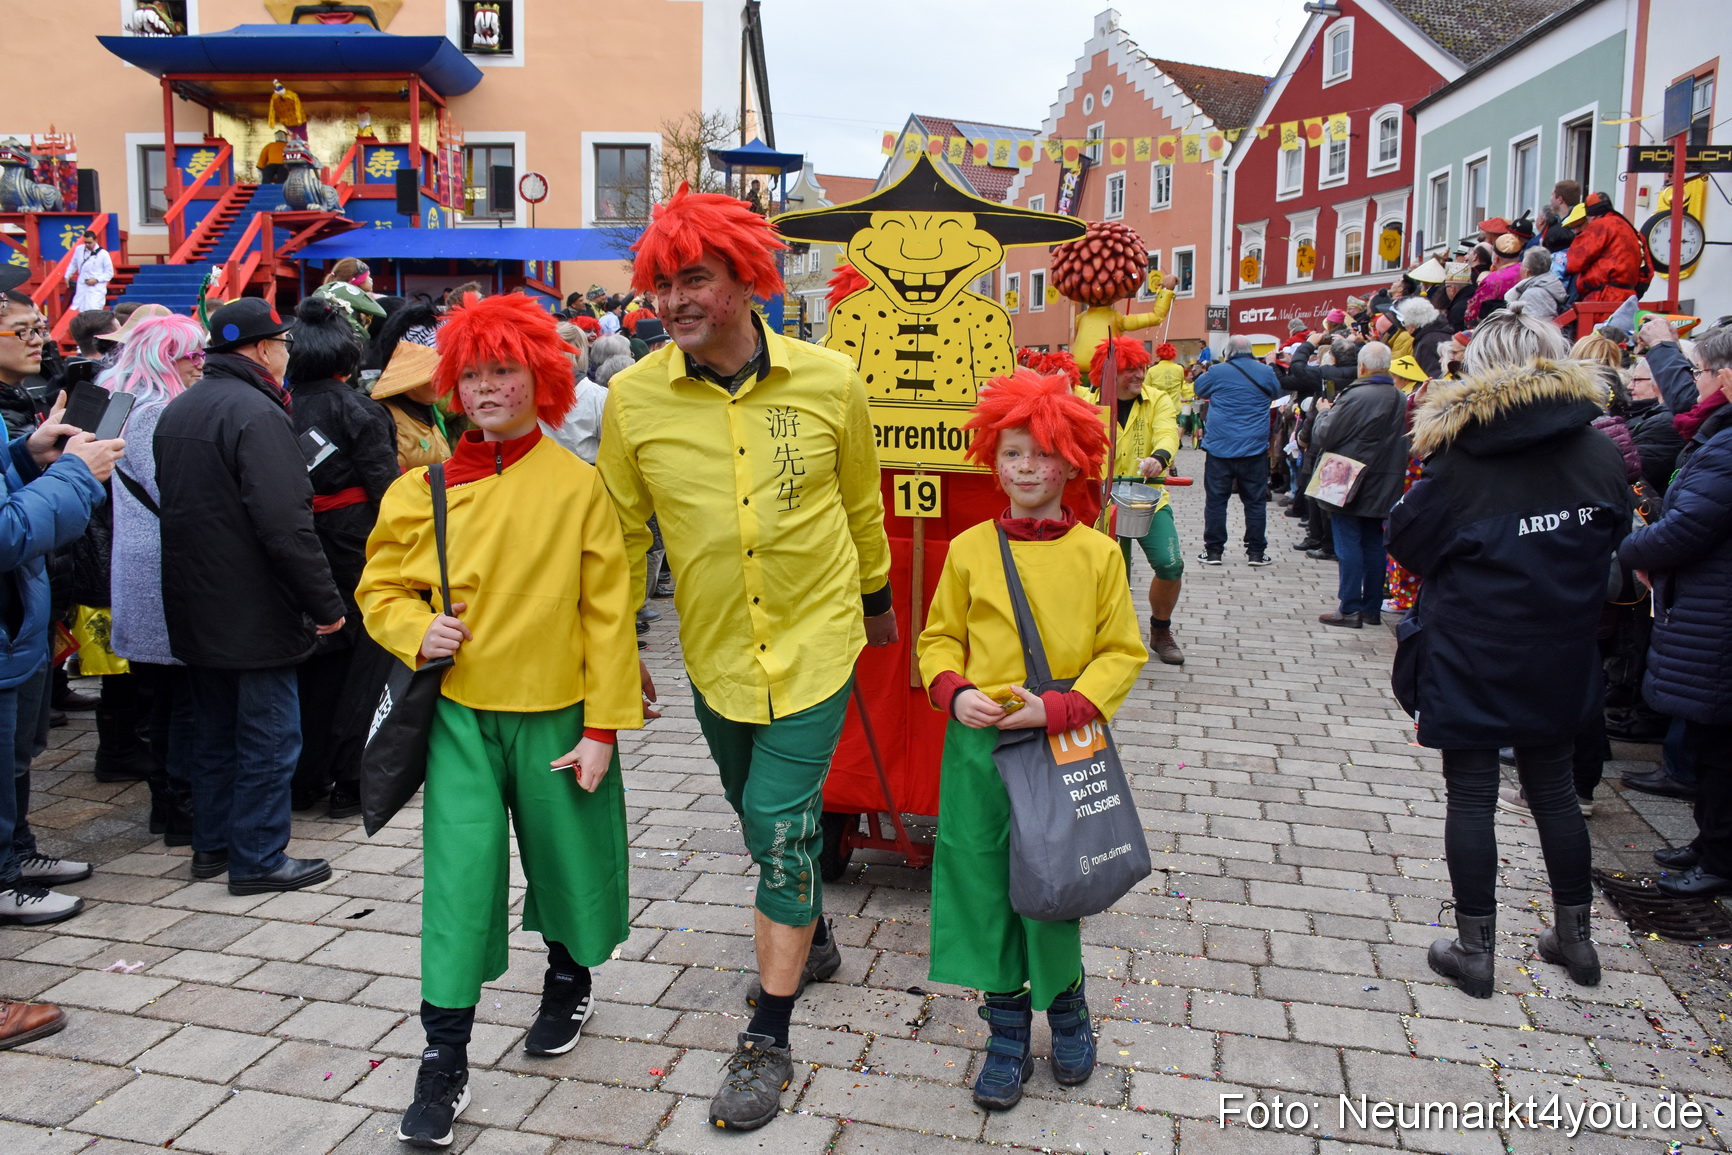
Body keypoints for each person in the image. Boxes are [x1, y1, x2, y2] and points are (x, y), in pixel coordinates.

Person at [598, 183, 893, 1132]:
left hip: (816, 642)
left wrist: (879, 609)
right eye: (661, 284)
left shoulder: (830, 381)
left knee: (775, 819)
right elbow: (617, 537)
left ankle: (768, 1035)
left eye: (695, 278)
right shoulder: (634, 399)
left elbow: (860, 509)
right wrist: (609, 652)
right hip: (716, 655)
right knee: (761, 818)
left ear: (745, 279)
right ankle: (813, 932)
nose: (675, 300)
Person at [358, 292, 643, 1147]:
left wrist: (602, 730)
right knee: (458, 883)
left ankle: (568, 972)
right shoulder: (423, 488)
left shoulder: (579, 485)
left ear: (541, 377)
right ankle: (442, 1059)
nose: (486, 387)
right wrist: (415, 629)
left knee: (569, 862)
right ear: (452, 383)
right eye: (472, 373)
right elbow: (379, 588)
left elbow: (607, 612)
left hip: (558, 712)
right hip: (458, 719)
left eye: (503, 370)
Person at [916, 368, 1146, 1111]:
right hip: (979, 752)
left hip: (1059, 744)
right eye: (1013, 453)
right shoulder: (970, 548)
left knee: (1054, 881)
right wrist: (956, 692)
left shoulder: (1099, 555)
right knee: (984, 879)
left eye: (1043, 454)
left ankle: (1067, 1004)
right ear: (993, 459)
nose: (1026, 468)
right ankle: (1005, 1020)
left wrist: (1059, 708)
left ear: (1072, 463)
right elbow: (938, 637)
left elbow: (1121, 651)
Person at [1387, 307, 1629, 998]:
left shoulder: (1460, 459)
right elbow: (1618, 533)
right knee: (1551, 787)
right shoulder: (1600, 448)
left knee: (1471, 793)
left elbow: (1409, 541)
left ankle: (1475, 948)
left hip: (1474, 649)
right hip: (1562, 646)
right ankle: (1576, 939)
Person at [154, 298, 345, 895]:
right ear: (264, 350)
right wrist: (326, 603)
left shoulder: (181, 407)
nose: (287, 354)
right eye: (282, 344)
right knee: (268, 736)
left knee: (214, 732)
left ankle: (213, 845)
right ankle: (259, 855)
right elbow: (287, 523)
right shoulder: (257, 413)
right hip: (253, 607)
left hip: (196, 600)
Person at [0, 293, 121, 928]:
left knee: (16, 754)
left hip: (17, 621)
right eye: (22, 329)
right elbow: (6, 532)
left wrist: (28, 454)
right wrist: (76, 473)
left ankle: (15, 856)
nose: (39, 340)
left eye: (40, 327)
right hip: (8, 612)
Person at [1618, 322, 1732, 898]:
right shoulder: (1718, 437)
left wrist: (1634, 547)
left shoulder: (1727, 447)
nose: (1696, 383)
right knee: (1713, 742)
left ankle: (1721, 856)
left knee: (1719, 747)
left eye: (1704, 373)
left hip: (1716, 609)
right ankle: (1710, 842)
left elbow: (1688, 526)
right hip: (1707, 603)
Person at [285, 296, 399, 819]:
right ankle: (352, 776)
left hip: (298, 541)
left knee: (314, 660)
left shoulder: (277, 405)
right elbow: (387, 490)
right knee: (366, 658)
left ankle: (304, 775)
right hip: (357, 542)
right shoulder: (358, 408)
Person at [103, 313, 205, 847]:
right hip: (160, 565)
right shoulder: (153, 412)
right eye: (191, 354)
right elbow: (173, 490)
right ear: (167, 356)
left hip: (144, 561)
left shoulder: (124, 404)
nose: (199, 364)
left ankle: (169, 805)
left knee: (165, 696)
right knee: (179, 696)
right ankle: (179, 806)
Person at [1311, 343, 1407, 628]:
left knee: (1348, 543)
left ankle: (1350, 608)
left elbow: (1326, 436)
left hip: (1349, 479)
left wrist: (1323, 412)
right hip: (1386, 479)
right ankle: (1371, 609)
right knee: (1375, 544)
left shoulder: (1356, 395)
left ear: (1362, 367)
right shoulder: (1400, 397)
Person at [1105, 337, 1185, 663]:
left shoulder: (1158, 400)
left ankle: (1160, 628)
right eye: (1130, 369)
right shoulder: (1089, 400)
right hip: (1099, 500)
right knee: (1107, 571)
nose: (1140, 375)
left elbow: (1168, 431)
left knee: (1170, 564)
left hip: (1146, 495)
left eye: (1142, 367)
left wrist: (1159, 456)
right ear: (1110, 371)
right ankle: (1106, 635)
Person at [1193, 334, 1279, 566]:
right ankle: (1256, 553)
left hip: (1220, 448)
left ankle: (1213, 552)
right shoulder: (1265, 371)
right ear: (1251, 351)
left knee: (1216, 501)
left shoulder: (1218, 371)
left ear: (1228, 353)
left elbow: (1199, 389)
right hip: (1254, 448)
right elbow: (1276, 393)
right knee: (1255, 502)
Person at [370, 342, 452, 471]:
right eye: (435, 379)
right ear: (413, 385)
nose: (440, 384)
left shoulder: (427, 411)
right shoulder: (385, 417)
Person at [1564, 191, 1648, 310]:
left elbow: (1574, 263)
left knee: (1596, 329)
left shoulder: (1600, 226)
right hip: (1628, 300)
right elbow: (1647, 274)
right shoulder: (1635, 232)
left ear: (1592, 216)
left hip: (1601, 299)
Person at [1466, 234, 1523, 325]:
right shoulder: (1527, 271)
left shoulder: (1493, 279)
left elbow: (1475, 309)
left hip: (1500, 325)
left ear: (1496, 258)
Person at [1398, 298, 1453, 380]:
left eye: (1404, 322)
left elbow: (1431, 376)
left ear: (1413, 326)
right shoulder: (1439, 332)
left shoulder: (1428, 342)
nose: (1404, 326)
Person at [64, 231, 112, 315]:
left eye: (89, 243)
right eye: (85, 242)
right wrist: (67, 275)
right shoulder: (79, 249)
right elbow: (73, 263)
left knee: (94, 310)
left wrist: (97, 280)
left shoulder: (103, 254)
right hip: (82, 286)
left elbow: (109, 273)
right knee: (81, 311)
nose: (87, 245)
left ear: (95, 240)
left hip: (96, 288)